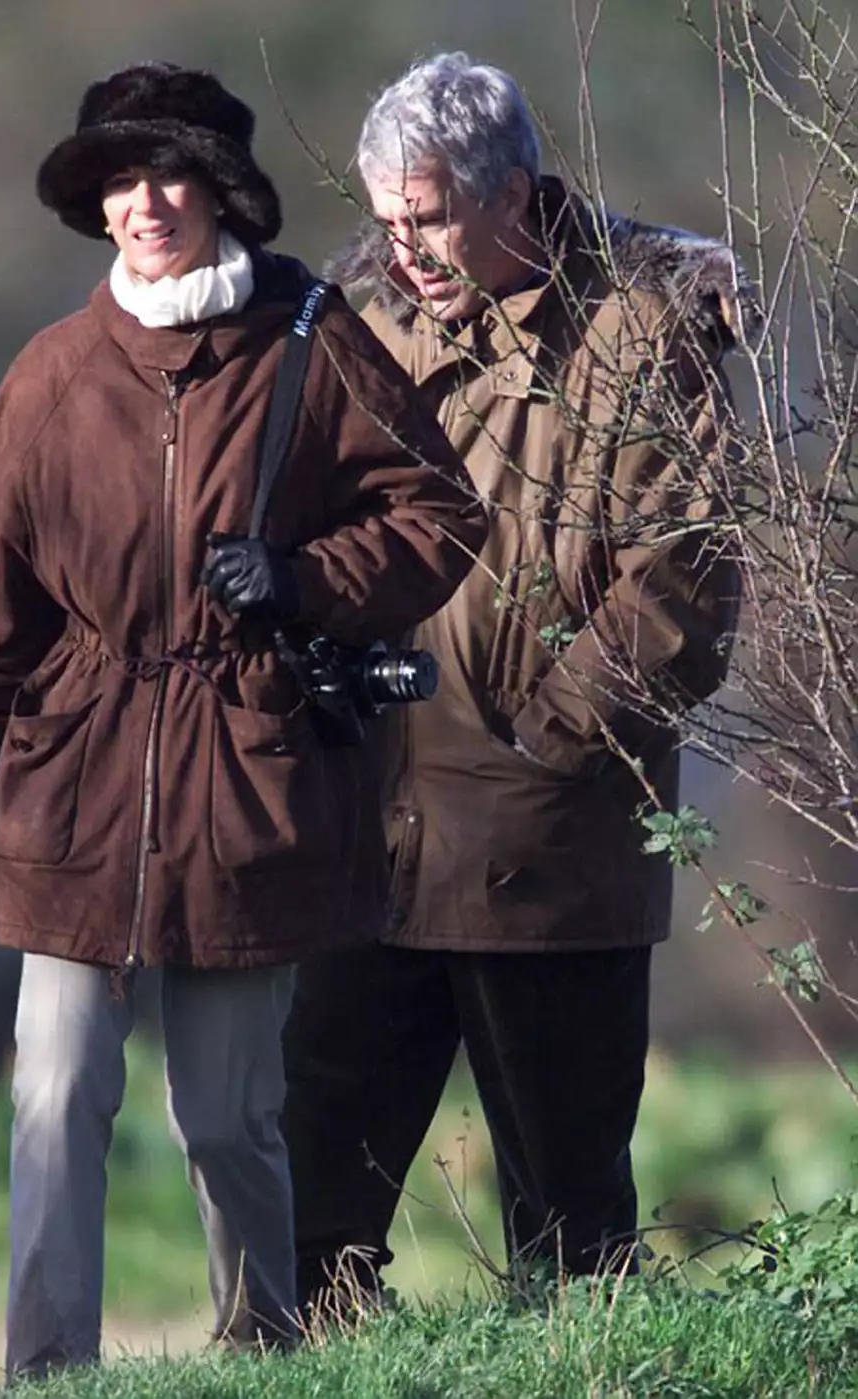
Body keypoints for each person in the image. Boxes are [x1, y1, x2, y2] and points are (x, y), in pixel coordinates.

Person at [0, 61, 486, 1375]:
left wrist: (305, 580)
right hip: (73, 786)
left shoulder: (313, 339)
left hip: (251, 780)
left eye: (168, 174)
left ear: (222, 191)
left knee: (227, 1116)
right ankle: (49, 1367)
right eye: (119, 178)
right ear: (97, 206)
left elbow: (445, 515)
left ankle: (266, 1351)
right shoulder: (48, 376)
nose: (145, 201)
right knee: (52, 1093)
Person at [281, 52, 749, 1309]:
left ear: (515, 194)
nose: (404, 246)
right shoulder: (356, 319)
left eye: (427, 215)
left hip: (555, 833)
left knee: (568, 1214)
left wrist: (546, 743)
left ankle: (581, 1372)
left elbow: (683, 584)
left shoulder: (638, 329)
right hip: (375, 813)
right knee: (319, 1179)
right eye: (385, 216)